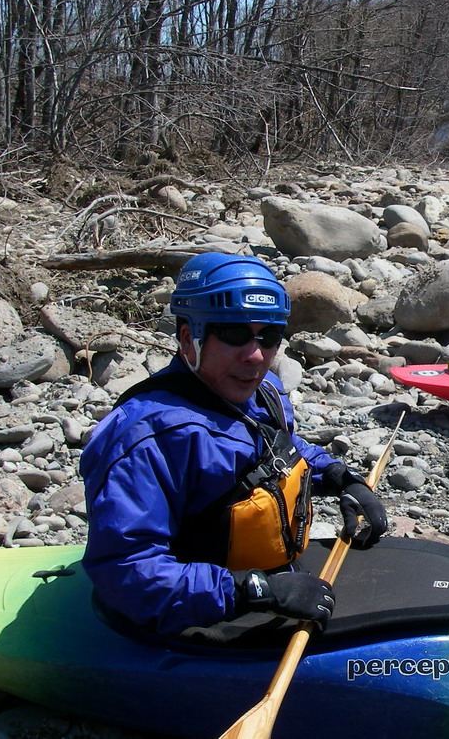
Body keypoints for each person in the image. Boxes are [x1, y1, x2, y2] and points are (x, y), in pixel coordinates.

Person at [80, 252, 387, 638]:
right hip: (194, 614)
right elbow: (125, 570)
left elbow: (283, 451)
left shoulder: (263, 394)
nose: (255, 355)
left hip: (263, 582)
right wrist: (253, 590)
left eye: (269, 336)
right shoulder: (146, 438)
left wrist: (341, 478)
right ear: (189, 337)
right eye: (233, 334)